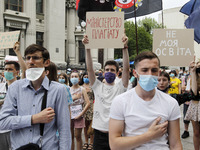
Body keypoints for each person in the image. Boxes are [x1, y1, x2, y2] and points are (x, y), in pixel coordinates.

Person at [0, 44, 71, 150]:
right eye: (28, 58)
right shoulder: (16, 88)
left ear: (46, 62)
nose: (30, 62)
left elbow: (64, 128)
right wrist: (33, 119)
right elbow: (3, 122)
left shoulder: (58, 90)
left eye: (36, 58)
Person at [109, 51, 182, 150]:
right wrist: (149, 135)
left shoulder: (171, 103)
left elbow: (176, 144)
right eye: (144, 70)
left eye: (154, 70)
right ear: (135, 73)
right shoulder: (120, 101)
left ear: (159, 72)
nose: (149, 74)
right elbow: (114, 145)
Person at [82, 33, 129, 150]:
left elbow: (127, 69)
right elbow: (89, 68)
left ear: (118, 72)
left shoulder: (121, 86)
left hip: (116, 133)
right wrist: (87, 48)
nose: (109, 72)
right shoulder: (97, 86)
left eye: (112, 70)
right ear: (103, 72)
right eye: (107, 69)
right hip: (99, 134)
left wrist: (125, 48)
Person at [0, 61, 20, 150]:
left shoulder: (21, 87)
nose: (7, 72)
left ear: (17, 72)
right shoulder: (1, 87)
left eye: (10, 69)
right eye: (6, 69)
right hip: (2, 129)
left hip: (16, 127)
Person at [70, 71, 90, 150]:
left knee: (77, 136)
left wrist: (81, 114)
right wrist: (74, 98)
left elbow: (88, 103)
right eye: (72, 76)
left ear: (79, 79)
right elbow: (65, 102)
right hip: (70, 115)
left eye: (75, 76)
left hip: (79, 115)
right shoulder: (68, 89)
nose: (74, 78)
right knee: (70, 136)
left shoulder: (82, 89)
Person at [184, 60, 200, 150]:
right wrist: (193, 72)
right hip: (195, 106)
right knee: (196, 132)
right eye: (197, 66)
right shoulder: (192, 78)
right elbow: (194, 92)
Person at [81, 72, 94, 150]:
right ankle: (86, 141)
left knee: (91, 126)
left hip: (92, 107)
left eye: (87, 76)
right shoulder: (81, 87)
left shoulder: (93, 86)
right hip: (83, 107)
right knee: (85, 126)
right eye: (85, 76)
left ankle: (91, 142)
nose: (86, 78)